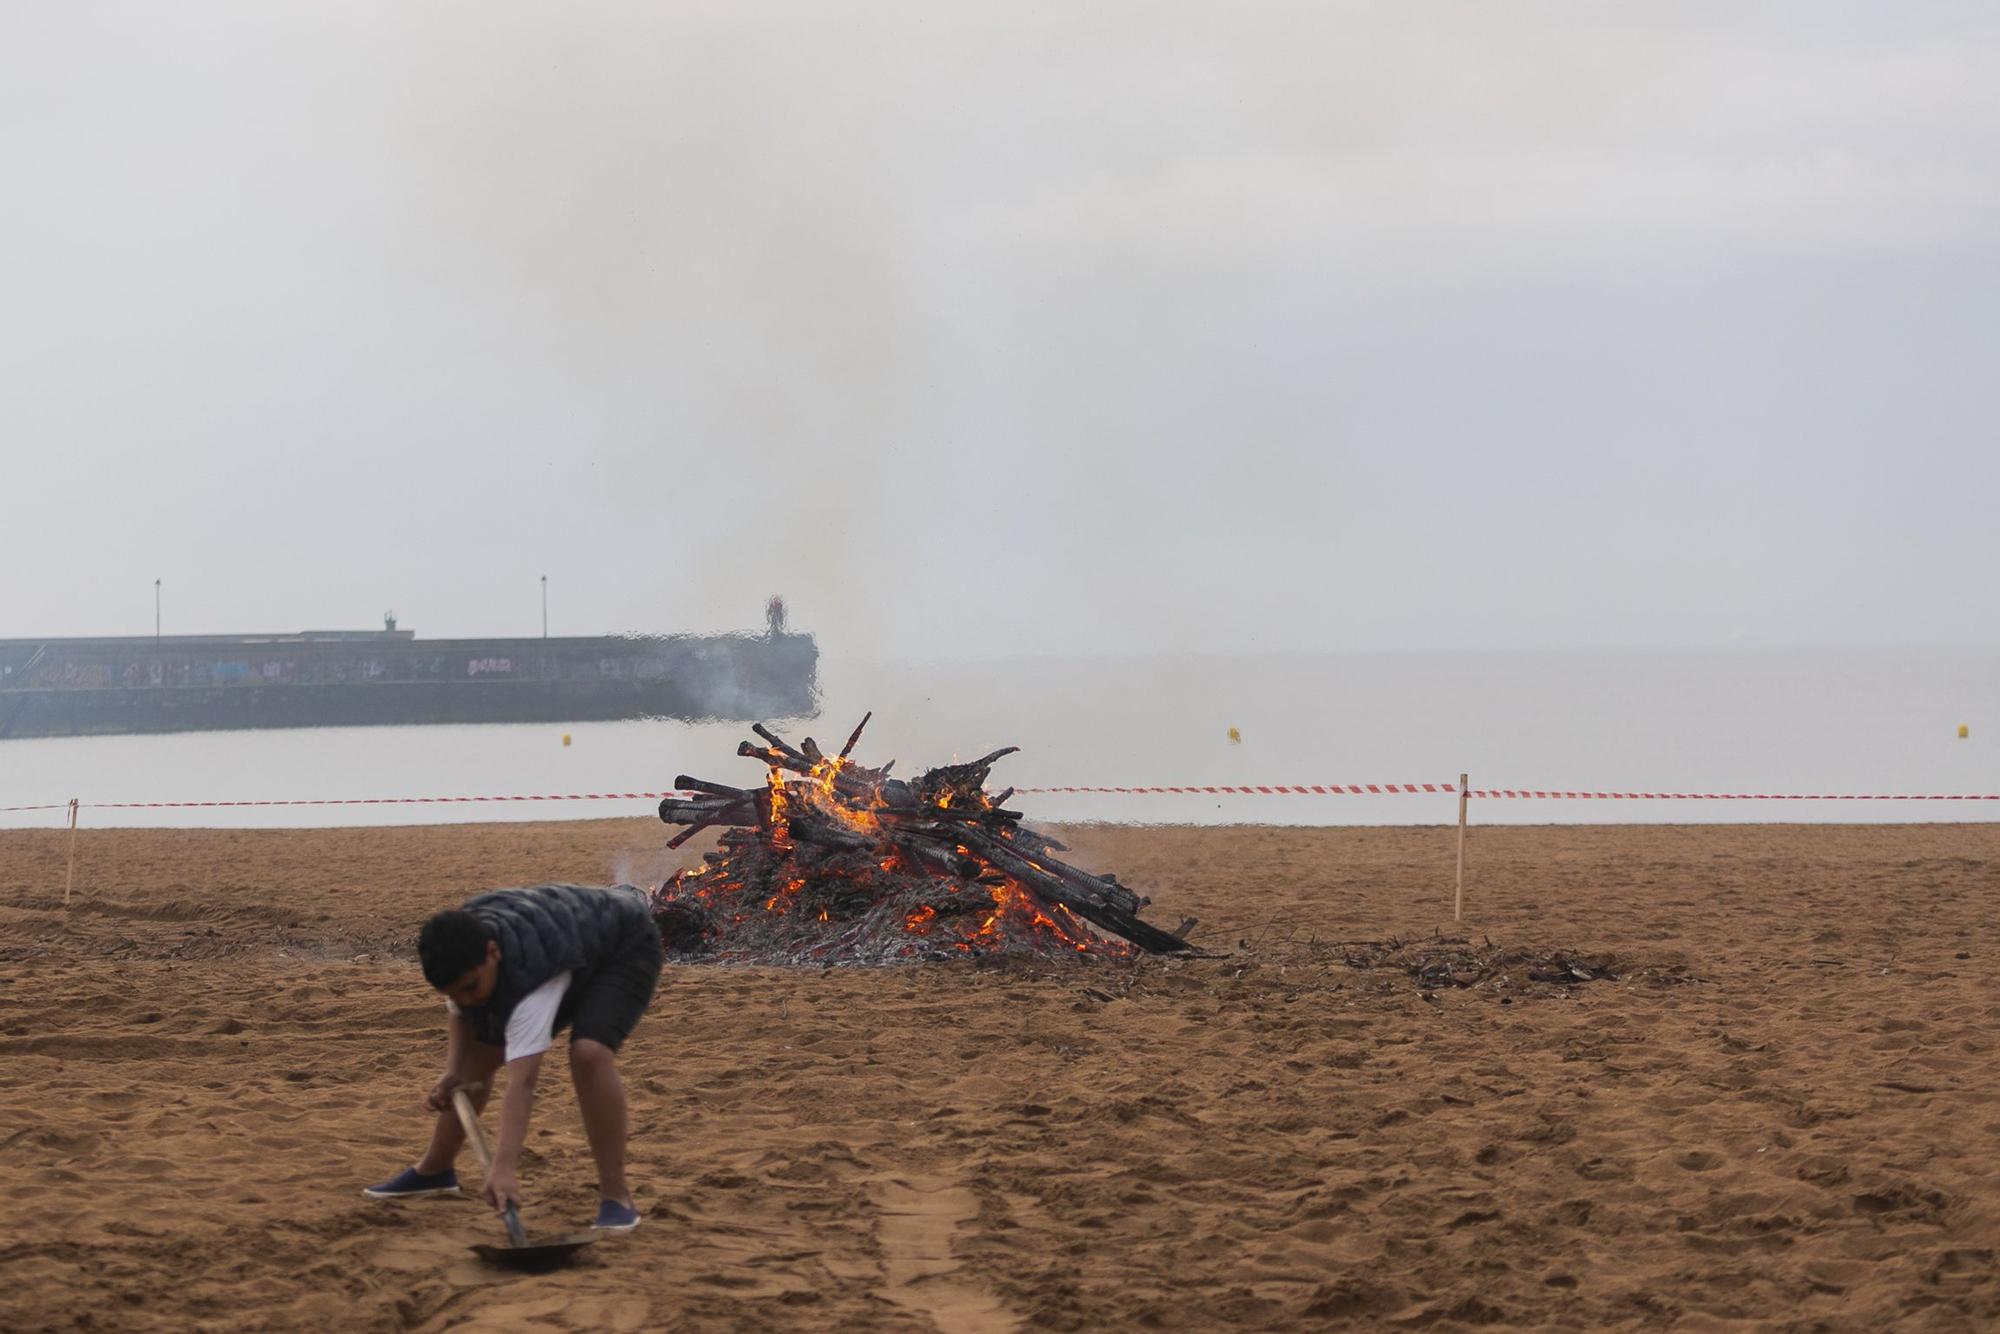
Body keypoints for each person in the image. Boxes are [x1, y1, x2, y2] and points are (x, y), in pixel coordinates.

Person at [361, 883, 664, 1233]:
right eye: (455, 991)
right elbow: (460, 1008)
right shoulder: (460, 948)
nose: (468, 998)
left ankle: (617, 1199)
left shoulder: (529, 978)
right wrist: (453, 1072)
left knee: (589, 1053)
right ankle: (435, 1172)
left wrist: (503, 1170)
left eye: (472, 986)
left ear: (493, 953)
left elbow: (523, 1083)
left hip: (624, 945)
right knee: (475, 1067)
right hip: (569, 941)